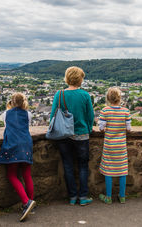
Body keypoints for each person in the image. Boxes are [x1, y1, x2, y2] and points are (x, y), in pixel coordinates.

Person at [50, 66, 94, 206]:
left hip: (64, 135)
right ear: (80, 79)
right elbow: (90, 116)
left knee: (68, 166)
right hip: (81, 135)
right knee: (82, 166)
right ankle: (83, 197)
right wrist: (88, 129)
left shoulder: (60, 94)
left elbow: (53, 116)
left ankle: (72, 196)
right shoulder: (85, 95)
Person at [0, 93, 36, 221]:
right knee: (26, 173)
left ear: (11, 102)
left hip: (13, 144)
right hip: (26, 144)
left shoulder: (5, 114)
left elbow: (7, 127)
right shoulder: (28, 114)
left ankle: (26, 202)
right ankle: (31, 202)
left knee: (12, 175)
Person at [98, 87, 131, 204]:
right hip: (121, 145)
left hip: (109, 145)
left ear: (108, 98)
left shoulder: (105, 111)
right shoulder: (126, 111)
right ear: (120, 98)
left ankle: (108, 197)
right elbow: (129, 128)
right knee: (122, 170)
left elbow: (101, 128)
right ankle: (122, 196)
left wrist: (107, 128)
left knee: (108, 170)